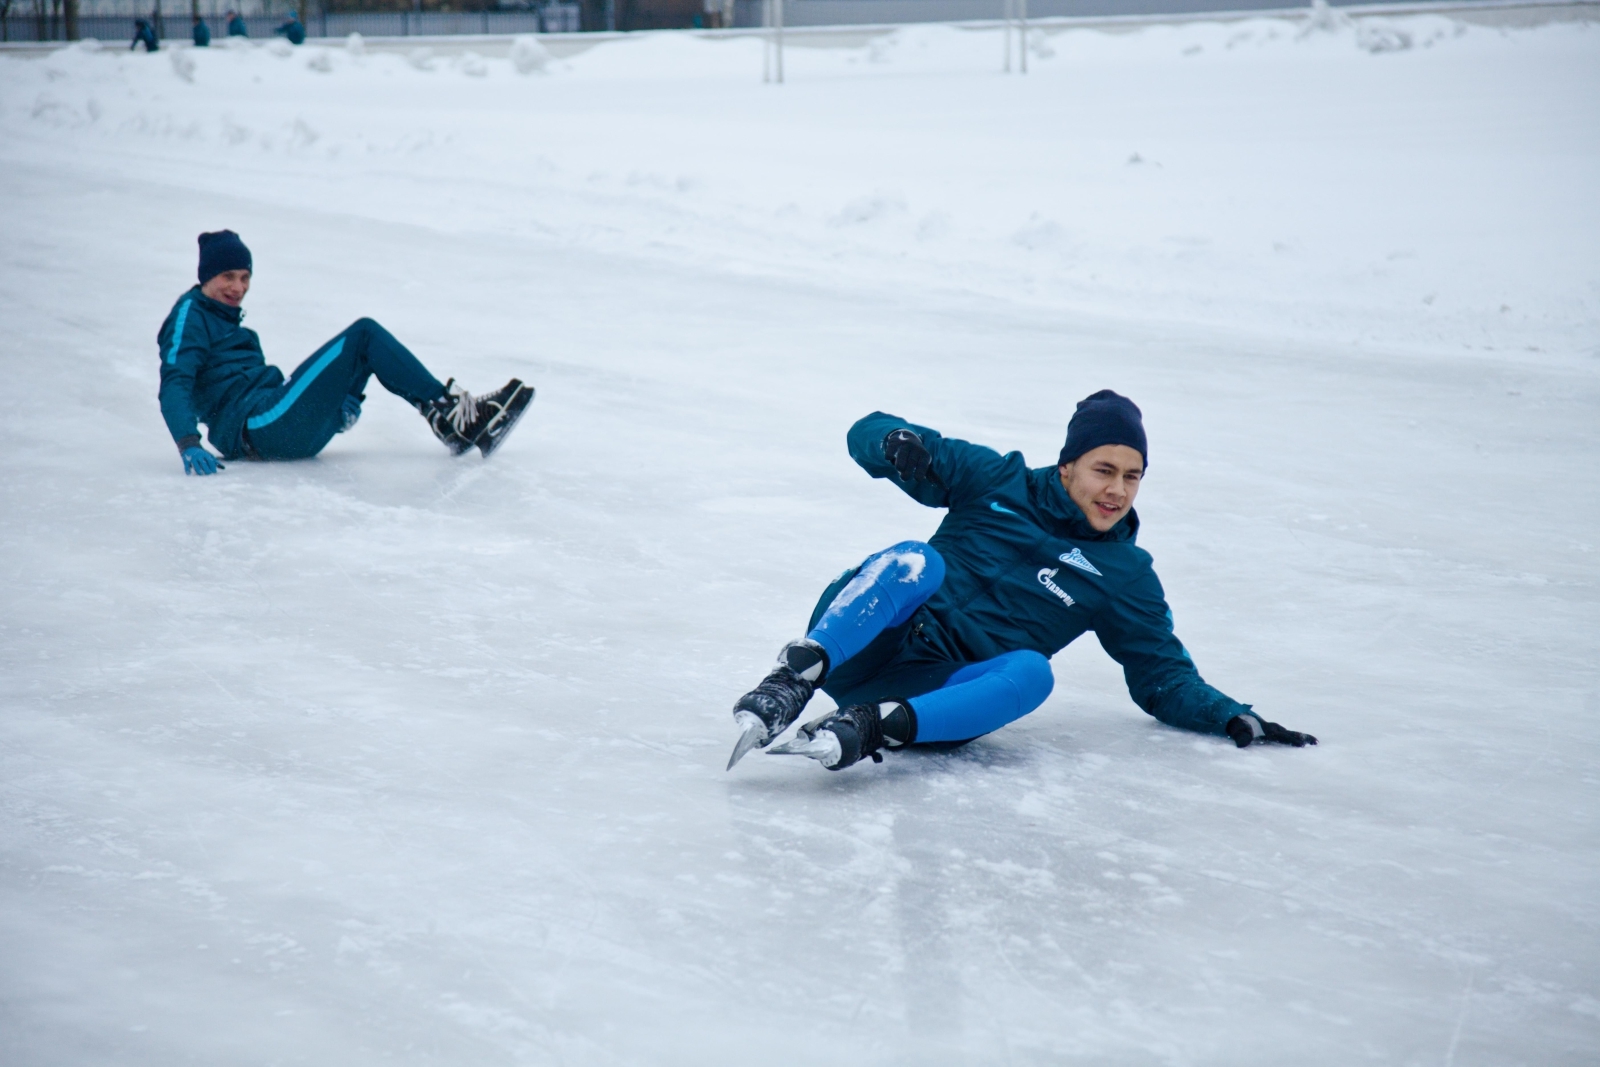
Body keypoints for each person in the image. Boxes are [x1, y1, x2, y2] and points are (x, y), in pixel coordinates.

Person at [726, 393, 1318, 772]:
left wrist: (1227, 715)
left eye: (1132, 477)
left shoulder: (1126, 575)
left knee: (1033, 671)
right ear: (1068, 466)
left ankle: (872, 727)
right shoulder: (995, 480)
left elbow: (1162, 675)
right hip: (868, 639)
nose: (1117, 490)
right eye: (1104, 470)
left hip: (938, 692)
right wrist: (893, 444)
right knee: (915, 561)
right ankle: (793, 677)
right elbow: (868, 427)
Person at [158, 230, 533, 476]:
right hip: (254, 426)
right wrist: (188, 442)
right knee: (363, 335)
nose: (238, 287)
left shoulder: (231, 323)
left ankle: (447, 418)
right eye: (228, 277)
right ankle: (449, 415)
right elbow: (175, 381)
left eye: (244, 277)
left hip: (273, 423)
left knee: (361, 352)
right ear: (206, 276)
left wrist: (341, 409)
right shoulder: (189, 317)